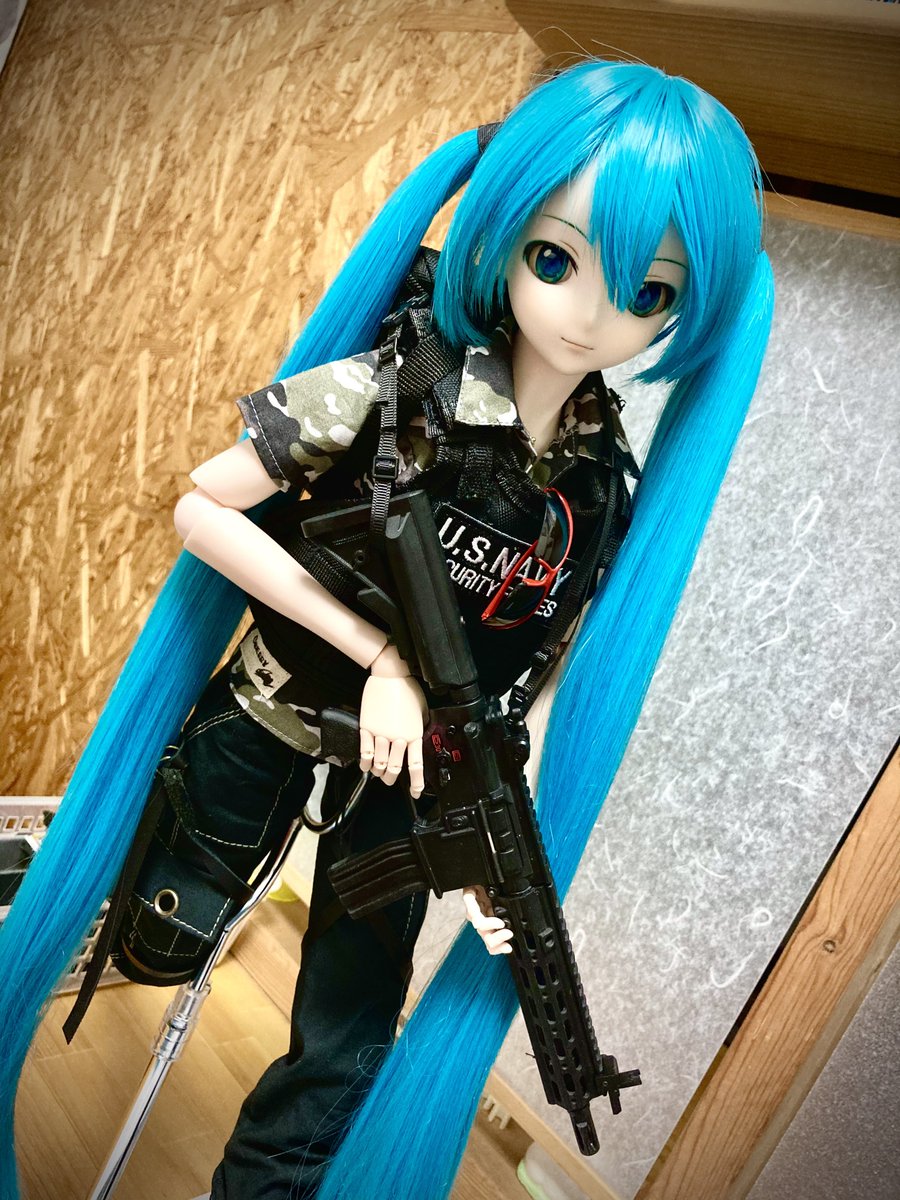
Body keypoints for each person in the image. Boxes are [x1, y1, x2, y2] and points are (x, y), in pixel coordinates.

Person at [0, 59, 774, 1200]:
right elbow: (202, 508)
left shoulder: (601, 489)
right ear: (505, 236)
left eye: (649, 293)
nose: (591, 313)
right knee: (152, 931)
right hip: (279, 707)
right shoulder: (396, 382)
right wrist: (379, 657)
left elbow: (544, 678)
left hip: (414, 777)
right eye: (556, 260)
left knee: (346, 1039)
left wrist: (502, 849)